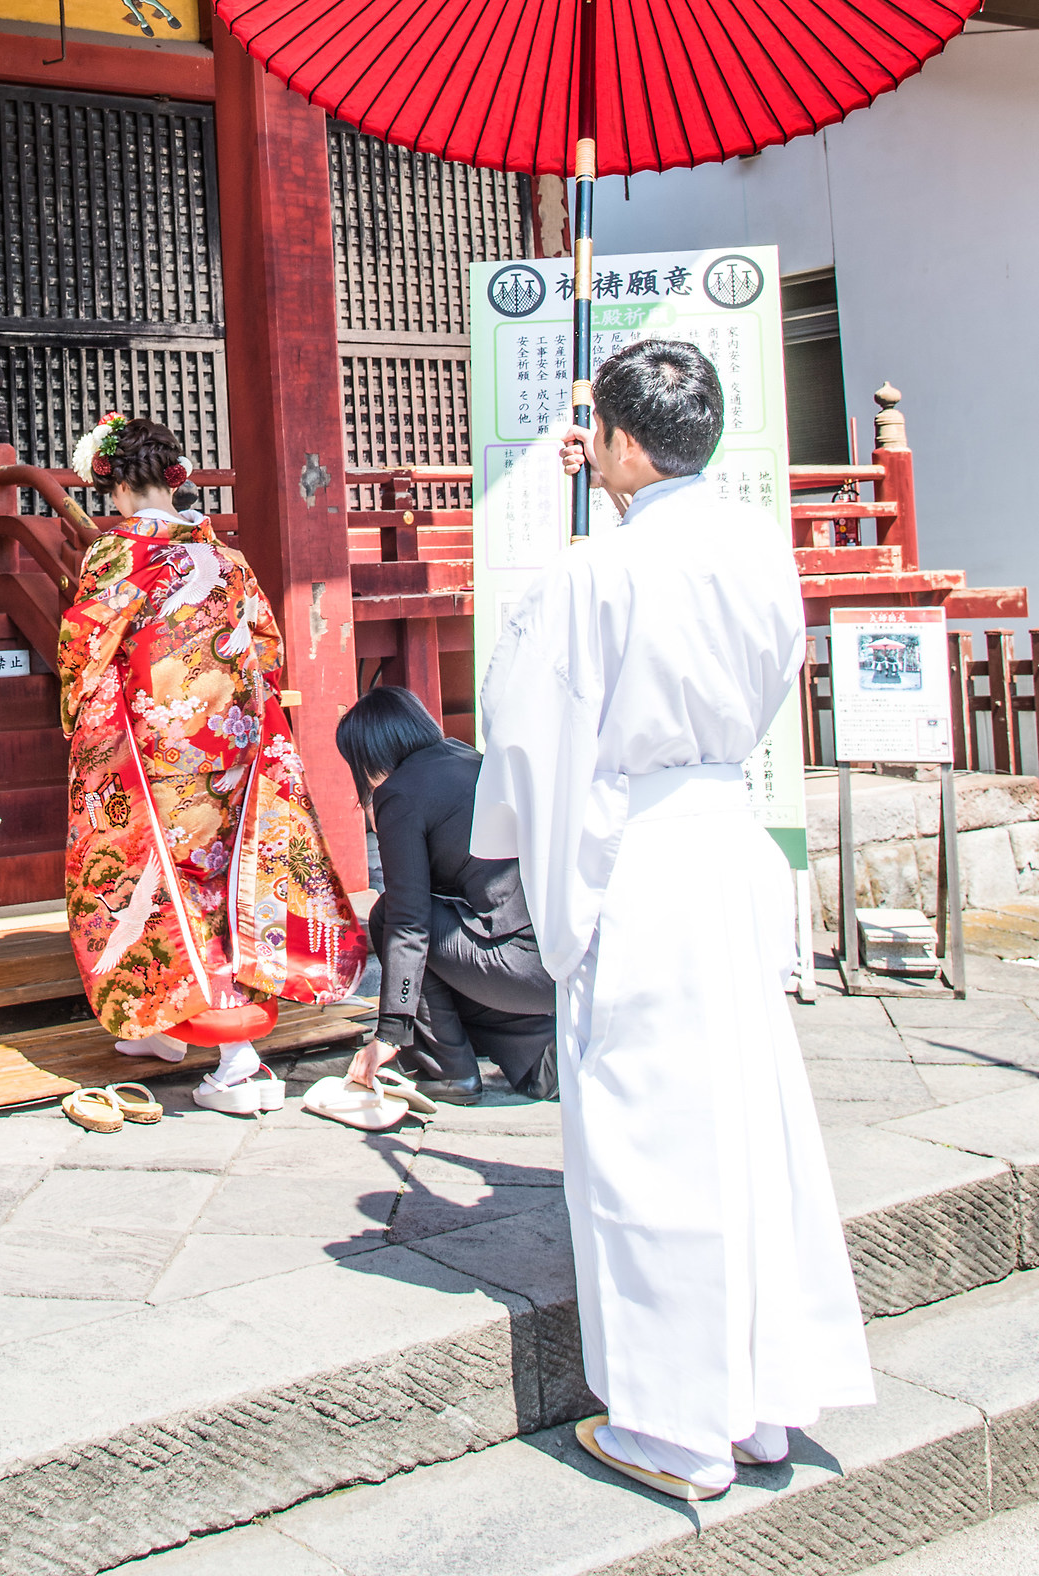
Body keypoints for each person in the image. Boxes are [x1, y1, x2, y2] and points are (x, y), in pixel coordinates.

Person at [471, 336, 871, 1504]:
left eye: (596, 431)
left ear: (624, 444)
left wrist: (554, 894)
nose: (588, 447)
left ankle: (672, 1426)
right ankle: (753, 1403)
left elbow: (537, 743)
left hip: (636, 853)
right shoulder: (754, 548)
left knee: (649, 1146)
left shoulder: (597, 573)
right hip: (724, 835)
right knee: (746, 1127)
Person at [60, 410, 366, 1115]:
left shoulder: (117, 556)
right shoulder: (220, 555)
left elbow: (82, 653)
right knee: (219, 874)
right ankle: (165, 1023)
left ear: (111, 483)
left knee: (170, 883)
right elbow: (264, 645)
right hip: (228, 744)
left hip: (153, 752)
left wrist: (91, 728)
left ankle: (238, 1063)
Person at [336, 687, 557, 1107]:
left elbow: (408, 922)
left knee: (387, 917)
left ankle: (446, 1070)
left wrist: (389, 1031)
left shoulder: (398, 794)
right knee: (435, 926)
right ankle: (533, 1050)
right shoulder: (465, 756)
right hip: (549, 963)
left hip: (514, 961)